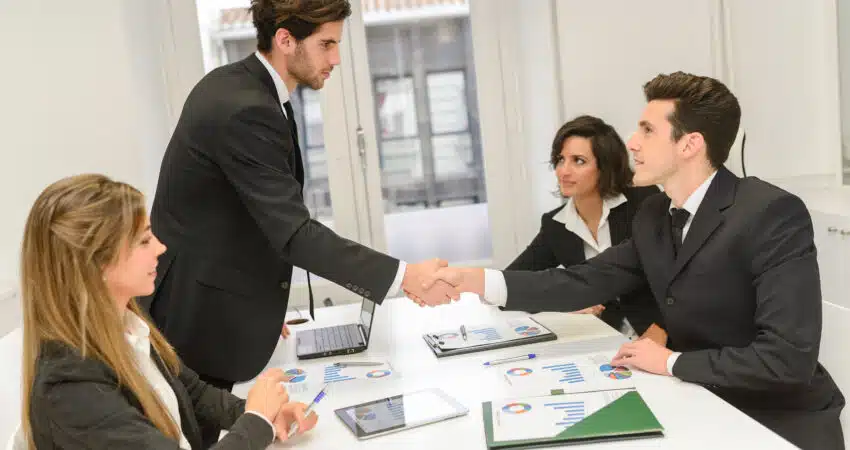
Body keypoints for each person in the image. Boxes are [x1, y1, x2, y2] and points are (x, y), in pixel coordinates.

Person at [423, 72, 845, 449]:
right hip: (701, 400)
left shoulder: (770, 213)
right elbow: (586, 279)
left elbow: (786, 359)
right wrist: (477, 280)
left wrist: (670, 361)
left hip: (777, 420)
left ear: (689, 144)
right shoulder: (655, 216)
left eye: (647, 129)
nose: (632, 142)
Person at [143, 0, 453, 444]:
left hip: (209, 304)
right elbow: (292, 232)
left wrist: (258, 301)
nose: (336, 59)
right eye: (326, 44)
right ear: (285, 40)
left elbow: (241, 213)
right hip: (196, 320)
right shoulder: (246, 108)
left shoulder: (245, 88)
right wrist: (405, 277)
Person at [15, 174, 318, 449]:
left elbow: (193, 393)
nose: (161, 248)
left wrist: (258, 412)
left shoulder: (127, 328)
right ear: (96, 264)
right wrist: (257, 421)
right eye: (144, 240)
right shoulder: (72, 390)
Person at [507, 115, 664, 341]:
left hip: (662, 337)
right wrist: (563, 306)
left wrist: (659, 332)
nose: (564, 171)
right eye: (560, 160)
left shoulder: (644, 201)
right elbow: (513, 282)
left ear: (605, 166)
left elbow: (677, 278)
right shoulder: (556, 224)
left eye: (578, 161)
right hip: (605, 340)